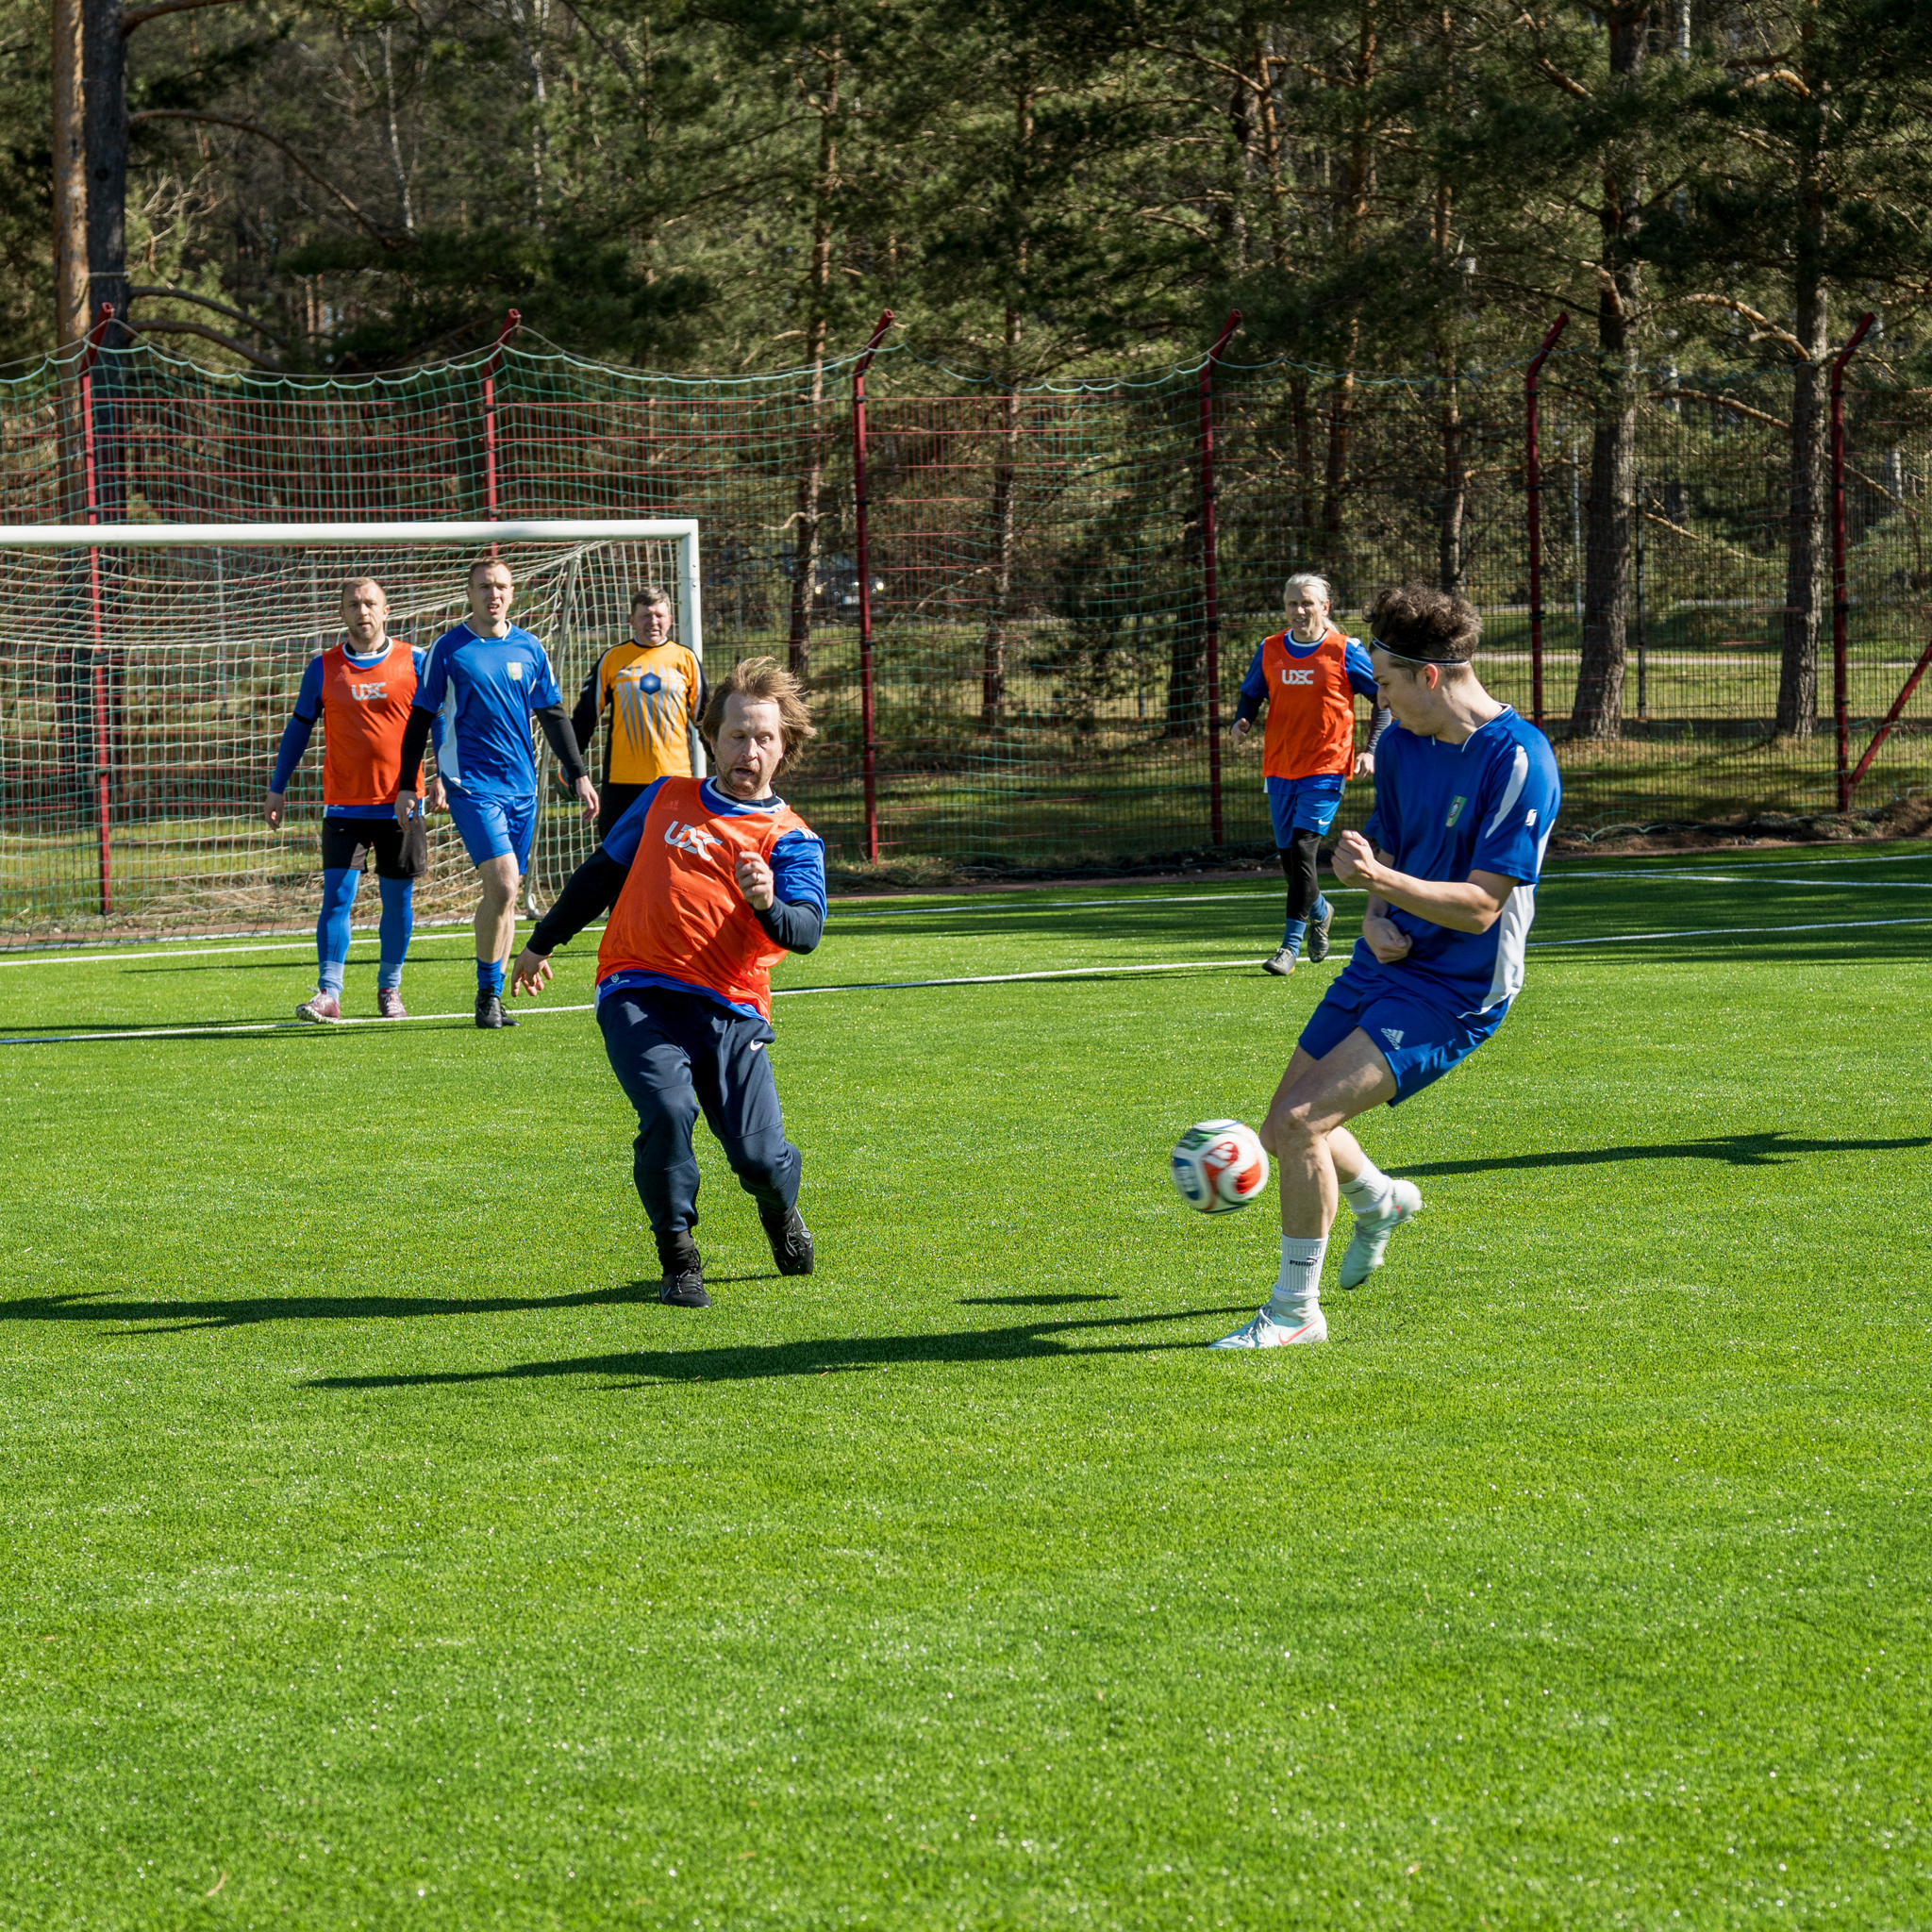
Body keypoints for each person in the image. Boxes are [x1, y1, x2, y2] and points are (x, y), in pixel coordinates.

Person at [1211, 583, 1560, 1350]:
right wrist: (1374, 910)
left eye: (1388, 683)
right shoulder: (1402, 745)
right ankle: (1379, 1200)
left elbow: (1482, 907)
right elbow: (1392, 841)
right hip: (1385, 957)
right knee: (1280, 1126)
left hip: (1458, 987)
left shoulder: (1520, 760)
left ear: (1429, 676)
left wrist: (1380, 882)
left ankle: (1295, 1313)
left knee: (1302, 1122)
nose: (1381, 699)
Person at [508, 657, 825, 1309]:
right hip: (637, 987)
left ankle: (780, 1209)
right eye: (737, 735)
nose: (748, 750)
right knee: (668, 1110)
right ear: (712, 737)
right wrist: (541, 943)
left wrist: (767, 902)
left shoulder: (791, 840)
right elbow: (601, 874)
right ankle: (678, 1257)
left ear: (784, 746)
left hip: (731, 1007)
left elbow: (806, 930)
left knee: (758, 1159)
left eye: (764, 738)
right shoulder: (664, 797)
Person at [393, 556, 598, 1029]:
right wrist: (408, 784)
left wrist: (579, 773)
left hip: (521, 788)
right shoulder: (449, 649)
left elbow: (553, 714)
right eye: (485, 586)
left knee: (507, 895)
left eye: (502, 586)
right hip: (470, 784)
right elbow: (420, 718)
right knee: (504, 883)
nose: (494, 594)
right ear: (469, 593)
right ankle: (487, 994)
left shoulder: (529, 647)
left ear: (512, 592)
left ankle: (492, 995)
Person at [266, 577, 443, 1022]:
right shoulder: (323, 668)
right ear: (342, 613)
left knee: (397, 901)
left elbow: (440, 722)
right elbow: (299, 728)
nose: (362, 611)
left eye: (370, 603)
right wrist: (278, 786)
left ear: (386, 610)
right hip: (344, 805)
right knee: (336, 898)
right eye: (353, 604)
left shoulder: (417, 661)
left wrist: (443, 773)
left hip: (403, 805)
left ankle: (390, 988)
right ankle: (329, 993)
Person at [1229, 572, 1389, 976]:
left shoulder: (1345, 650)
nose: (1299, 611)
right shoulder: (1270, 648)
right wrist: (1242, 721)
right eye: (1292, 604)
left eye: (1307, 603)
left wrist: (1371, 750)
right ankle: (1320, 909)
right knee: (1291, 863)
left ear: (1324, 607)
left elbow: (1382, 698)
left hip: (1326, 767)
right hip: (1280, 766)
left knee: (1303, 851)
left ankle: (1289, 948)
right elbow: (1251, 693)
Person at [569, 583, 709, 831]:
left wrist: (725, 764)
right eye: (645, 615)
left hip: (675, 779)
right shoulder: (613, 659)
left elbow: (707, 721)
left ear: (670, 620)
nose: (653, 622)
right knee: (616, 851)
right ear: (631, 620)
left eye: (659, 615)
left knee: (672, 850)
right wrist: (571, 767)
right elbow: (584, 719)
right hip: (622, 781)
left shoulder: (685, 659)